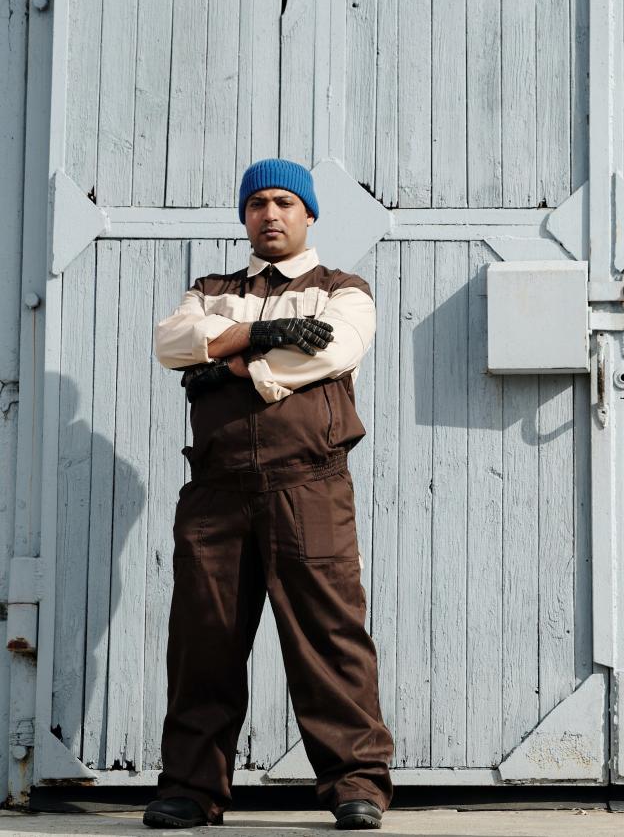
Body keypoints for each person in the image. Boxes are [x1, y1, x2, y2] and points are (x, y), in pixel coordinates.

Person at [146, 159, 393, 830]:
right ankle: (191, 789)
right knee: (205, 641)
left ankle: (355, 785)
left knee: (328, 636)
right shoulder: (211, 288)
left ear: (309, 214)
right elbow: (171, 342)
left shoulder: (343, 290)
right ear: (244, 216)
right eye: (257, 203)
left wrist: (224, 365)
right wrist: (263, 333)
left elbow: (331, 353)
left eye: (285, 201)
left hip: (308, 485)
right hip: (215, 492)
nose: (271, 214)